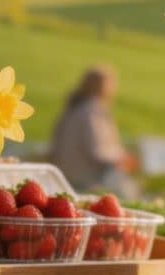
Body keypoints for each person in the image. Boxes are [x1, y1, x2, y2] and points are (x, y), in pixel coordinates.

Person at [49, 65, 138, 198]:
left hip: (63, 174)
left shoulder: (74, 107)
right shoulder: (93, 111)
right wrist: (123, 158)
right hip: (85, 179)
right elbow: (98, 150)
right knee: (129, 190)